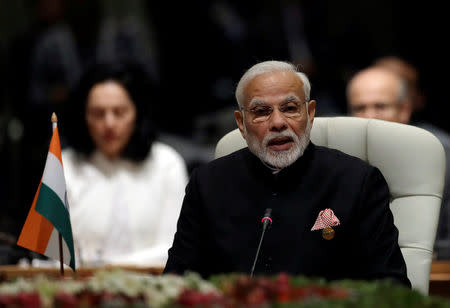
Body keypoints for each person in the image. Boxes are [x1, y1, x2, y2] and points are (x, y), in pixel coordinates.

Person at [164, 60, 410, 287]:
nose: (278, 122)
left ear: (310, 113)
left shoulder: (357, 181)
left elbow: (391, 286)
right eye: (261, 112)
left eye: (290, 108)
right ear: (241, 123)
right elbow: (176, 283)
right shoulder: (208, 184)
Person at [61, 61, 188, 268]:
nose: (109, 124)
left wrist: (110, 267)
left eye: (119, 112)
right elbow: (59, 254)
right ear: (84, 117)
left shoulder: (166, 163)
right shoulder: (65, 164)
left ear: (137, 114)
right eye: (98, 113)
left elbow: (174, 247)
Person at [347, 61, 450, 259]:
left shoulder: (441, 155)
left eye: (381, 106)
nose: (369, 117)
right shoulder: (338, 157)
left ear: (404, 110)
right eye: (360, 108)